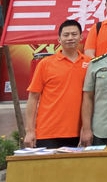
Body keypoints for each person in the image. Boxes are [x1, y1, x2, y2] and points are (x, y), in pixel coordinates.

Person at [24, 20, 89, 148]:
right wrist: (30, 131)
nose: (70, 38)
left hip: (78, 133)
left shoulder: (89, 63)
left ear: (81, 37)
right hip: (48, 132)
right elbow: (33, 98)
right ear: (59, 39)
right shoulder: (45, 64)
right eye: (66, 35)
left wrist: (87, 129)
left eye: (74, 34)